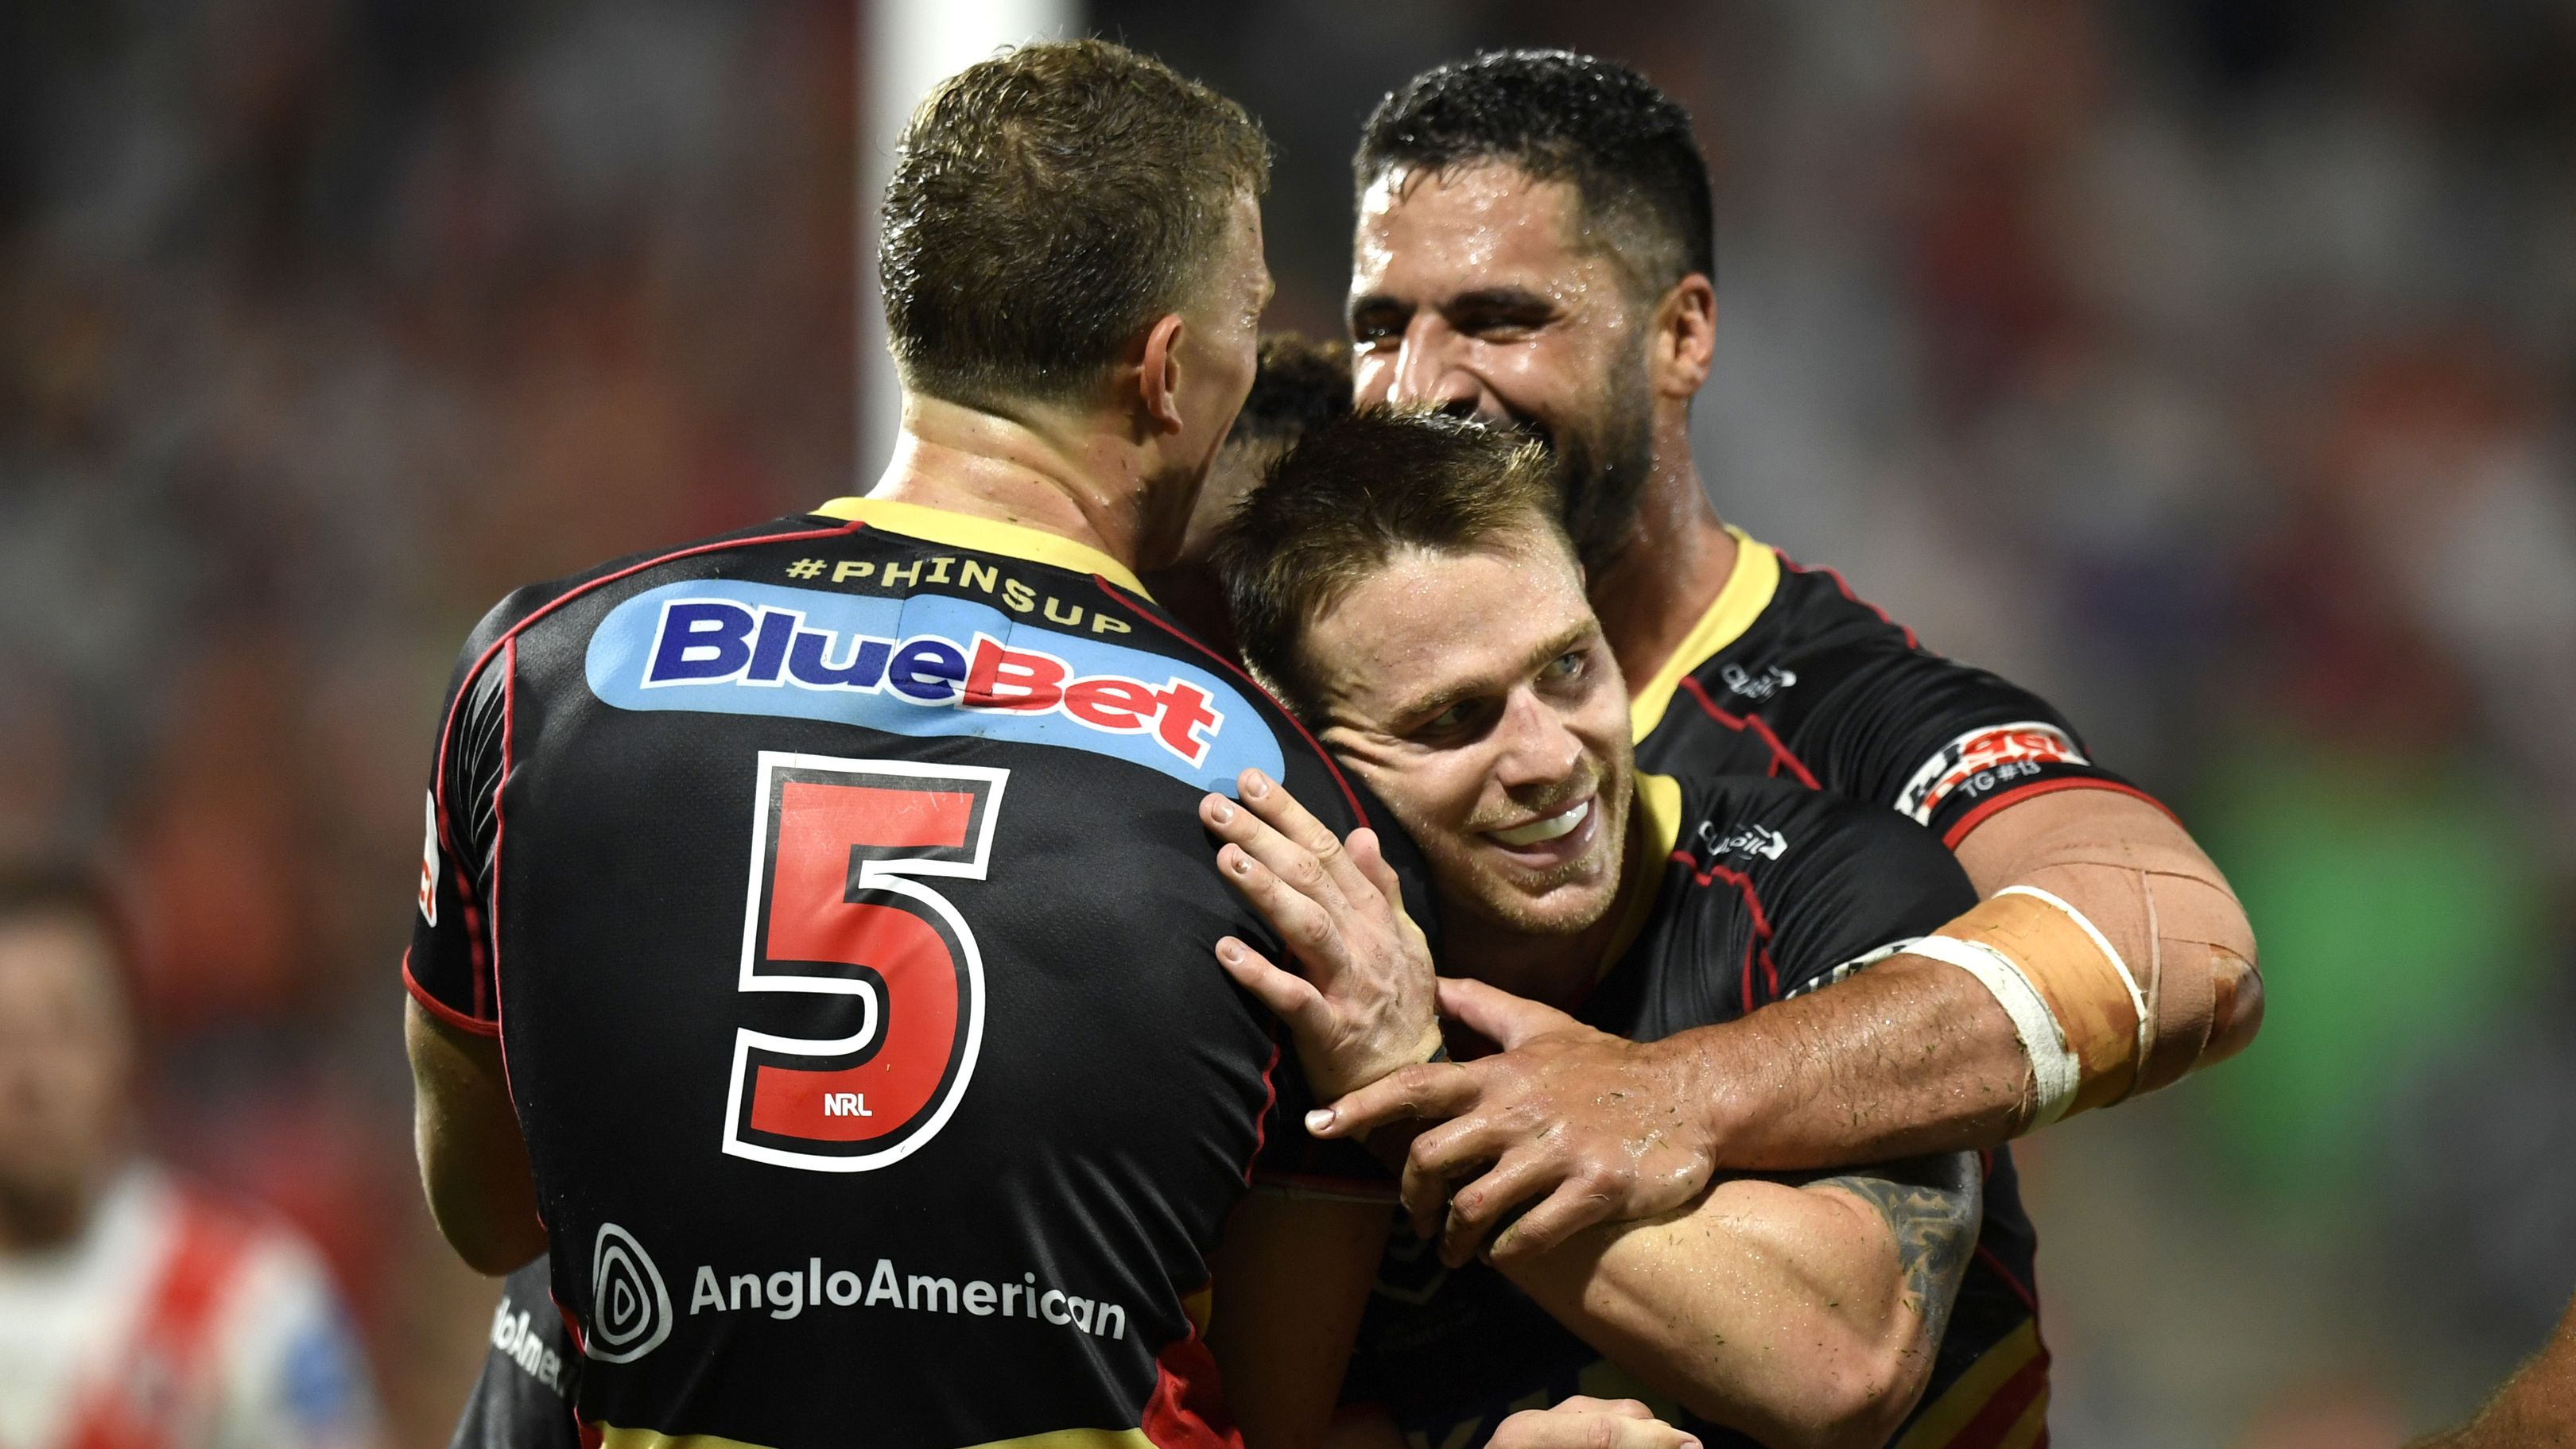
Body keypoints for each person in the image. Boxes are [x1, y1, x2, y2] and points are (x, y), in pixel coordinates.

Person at [404, 40, 1444, 1449]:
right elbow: (1264, 1399)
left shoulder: (539, 670)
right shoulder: (1289, 804)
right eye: (1249, 316)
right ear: (1169, 371)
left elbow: (484, 1213)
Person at [1322, 48, 2264, 1262]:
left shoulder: (1835, 707)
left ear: (1682, 334)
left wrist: (1679, 1092)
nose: (1420, 388)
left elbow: (2183, 945)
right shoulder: (1306, 655)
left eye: (1502, 320)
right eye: (1379, 327)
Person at [1199, 410, 2042, 1448]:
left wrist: (1409, 1083)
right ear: (1309, 756)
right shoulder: (1263, 991)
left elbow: (1846, 1358)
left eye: (1566, 668)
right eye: (1455, 718)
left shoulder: (1836, 885)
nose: (1548, 754)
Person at [0, 862, 386, 1449]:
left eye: (66, 1026)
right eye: (4, 1034)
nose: (33, 1076)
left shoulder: (250, 1300)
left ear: (128, 1045)